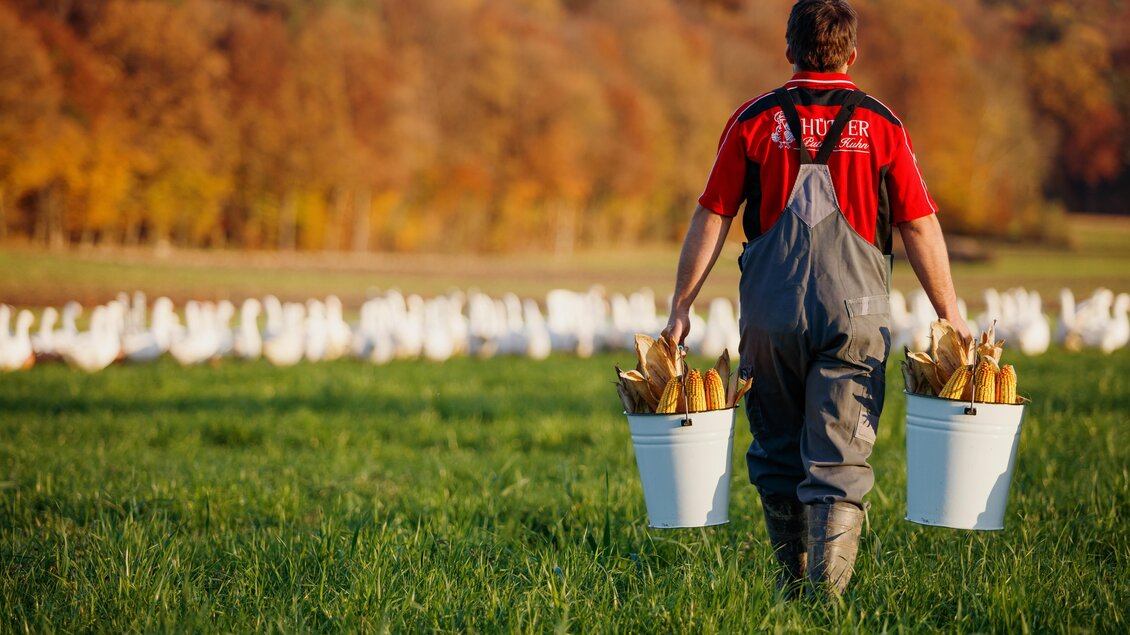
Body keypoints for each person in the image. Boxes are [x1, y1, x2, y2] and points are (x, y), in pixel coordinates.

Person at [662, 0, 971, 598]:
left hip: (770, 317)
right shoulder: (882, 124)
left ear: (789, 50)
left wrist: (682, 305)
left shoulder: (753, 120)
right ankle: (827, 601)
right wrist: (949, 313)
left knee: (777, 451)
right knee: (840, 458)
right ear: (851, 55)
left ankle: (790, 585)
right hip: (857, 318)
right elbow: (920, 224)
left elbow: (712, 215)